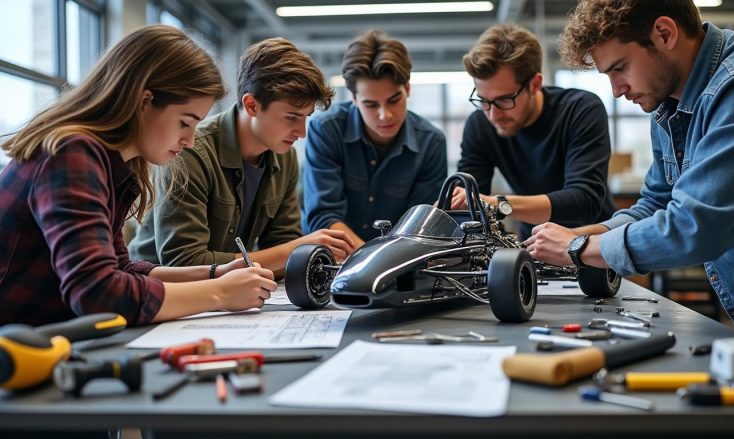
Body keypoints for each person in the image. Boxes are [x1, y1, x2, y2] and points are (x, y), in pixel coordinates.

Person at [0, 25, 276, 327]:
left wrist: (212, 274)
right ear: (144, 102)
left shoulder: (115, 163)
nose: (190, 140)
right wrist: (220, 293)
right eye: (185, 123)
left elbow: (120, 268)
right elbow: (99, 293)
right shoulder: (72, 153)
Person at [527, 0, 734, 335]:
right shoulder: (667, 102)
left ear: (664, 33)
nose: (617, 90)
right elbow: (657, 203)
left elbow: (696, 226)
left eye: (620, 68)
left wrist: (577, 249)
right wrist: (581, 235)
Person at [128, 38, 355, 275]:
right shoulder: (190, 152)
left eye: (306, 117)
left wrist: (306, 256)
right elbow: (184, 262)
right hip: (161, 291)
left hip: (230, 291)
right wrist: (296, 250)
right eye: (291, 117)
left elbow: (281, 242)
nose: (302, 133)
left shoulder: (283, 157)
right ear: (252, 105)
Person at [452, 24, 615, 240]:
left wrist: (497, 204)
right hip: (534, 243)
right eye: (483, 101)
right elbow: (469, 201)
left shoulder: (581, 109)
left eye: (504, 100)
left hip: (592, 243)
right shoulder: (480, 125)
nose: (493, 114)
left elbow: (585, 200)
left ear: (535, 84)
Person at [301, 30, 447, 247]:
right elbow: (323, 217)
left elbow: (421, 229)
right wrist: (368, 260)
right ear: (354, 98)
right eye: (371, 104)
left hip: (399, 263)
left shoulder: (431, 143)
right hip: (333, 259)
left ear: (407, 89)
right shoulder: (325, 130)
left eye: (393, 100)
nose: (385, 115)